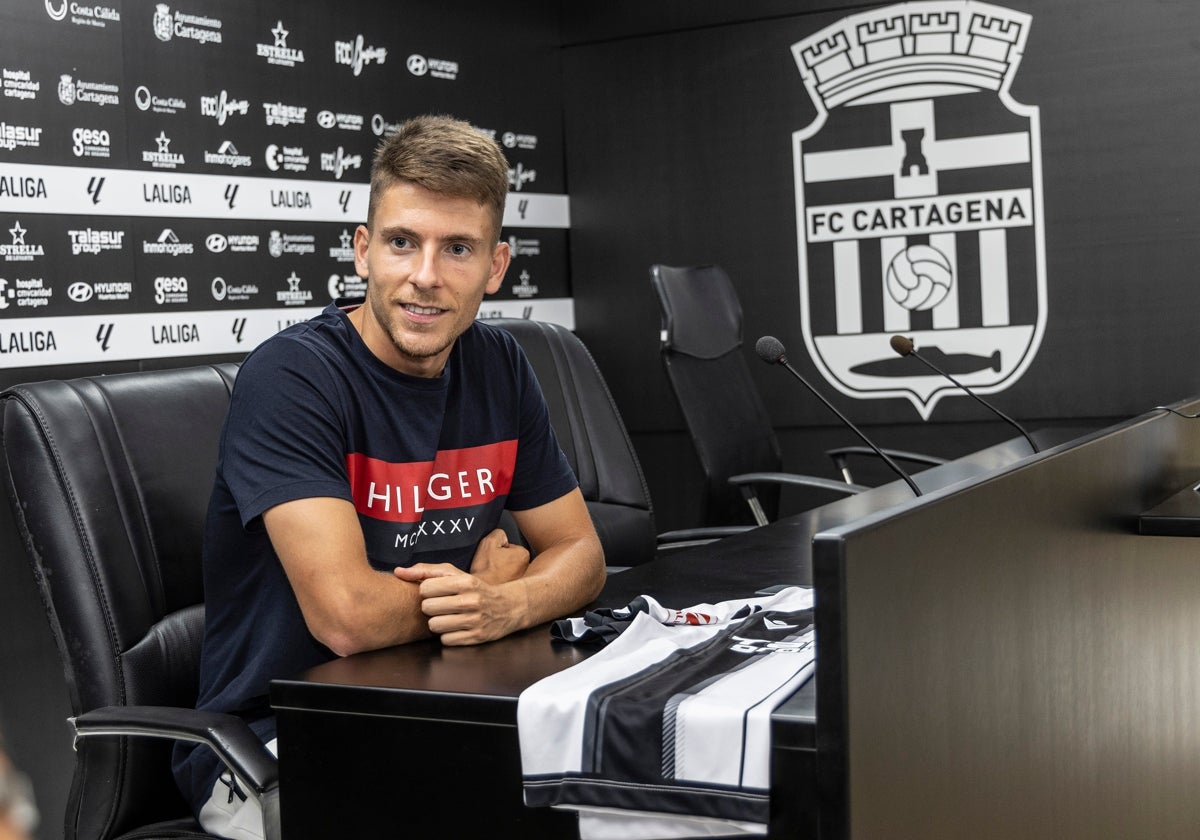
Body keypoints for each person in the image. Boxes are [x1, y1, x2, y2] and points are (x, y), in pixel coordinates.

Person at [172, 114, 606, 839]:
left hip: (441, 714)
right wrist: (491, 589)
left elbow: (582, 554)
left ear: (496, 267)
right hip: (273, 748)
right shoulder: (294, 377)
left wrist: (505, 605)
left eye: (458, 248)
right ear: (364, 251)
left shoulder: (500, 365)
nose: (425, 276)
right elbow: (347, 618)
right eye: (403, 243)